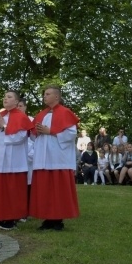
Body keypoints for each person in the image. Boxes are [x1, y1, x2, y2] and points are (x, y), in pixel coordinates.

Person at [30, 85, 80, 231]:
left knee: (58, 190)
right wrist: (38, 133)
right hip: (43, 157)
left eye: (48, 94)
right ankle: (47, 218)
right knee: (45, 189)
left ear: (56, 96)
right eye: (44, 94)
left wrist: (50, 131)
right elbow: (33, 134)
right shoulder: (41, 115)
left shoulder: (66, 113)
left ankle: (58, 219)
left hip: (58, 157)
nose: (44, 96)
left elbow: (71, 134)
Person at [0, 91, 34, 230]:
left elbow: (19, 138)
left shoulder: (22, 117)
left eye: (9, 97)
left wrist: (4, 127)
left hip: (12, 160)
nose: (5, 98)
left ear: (17, 102)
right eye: (4, 96)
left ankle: (10, 219)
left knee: (11, 190)